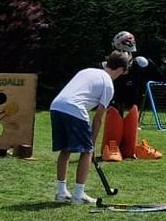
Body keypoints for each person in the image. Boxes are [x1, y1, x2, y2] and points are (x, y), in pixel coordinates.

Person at [49, 49, 129, 204]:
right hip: (75, 109)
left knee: (65, 149)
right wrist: (91, 145)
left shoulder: (87, 71)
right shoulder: (108, 85)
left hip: (56, 106)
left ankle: (61, 193)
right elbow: (98, 117)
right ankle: (78, 196)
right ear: (120, 69)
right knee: (86, 152)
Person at [99, 36, 162, 162]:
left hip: (131, 99)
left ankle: (130, 149)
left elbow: (158, 77)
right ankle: (113, 146)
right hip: (116, 99)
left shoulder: (139, 63)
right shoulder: (109, 64)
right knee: (114, 116)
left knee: (132, 116)